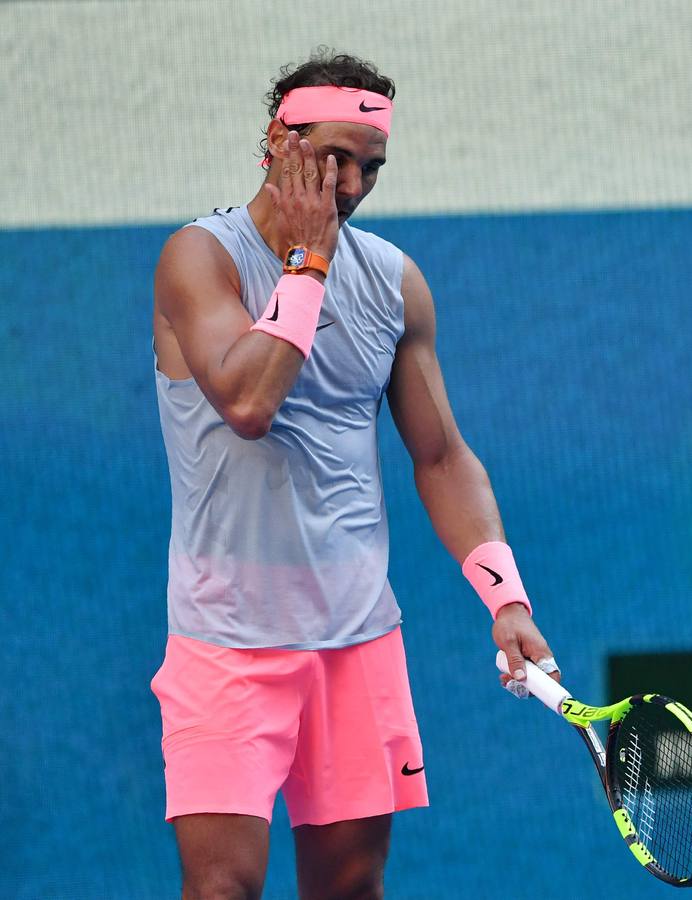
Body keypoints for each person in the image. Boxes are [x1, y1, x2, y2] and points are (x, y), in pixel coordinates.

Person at [150, 51, 559, 899]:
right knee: (221, 890)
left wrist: (506, 599)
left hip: (355, 641)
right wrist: (307, 263)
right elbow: (249, 402)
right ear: (277, 140)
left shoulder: (394, 282)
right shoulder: (199, 259)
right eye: (333, 157)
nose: (351, 184)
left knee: (349, 892)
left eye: (370, 166)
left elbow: (441, 456)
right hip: (225, 643)